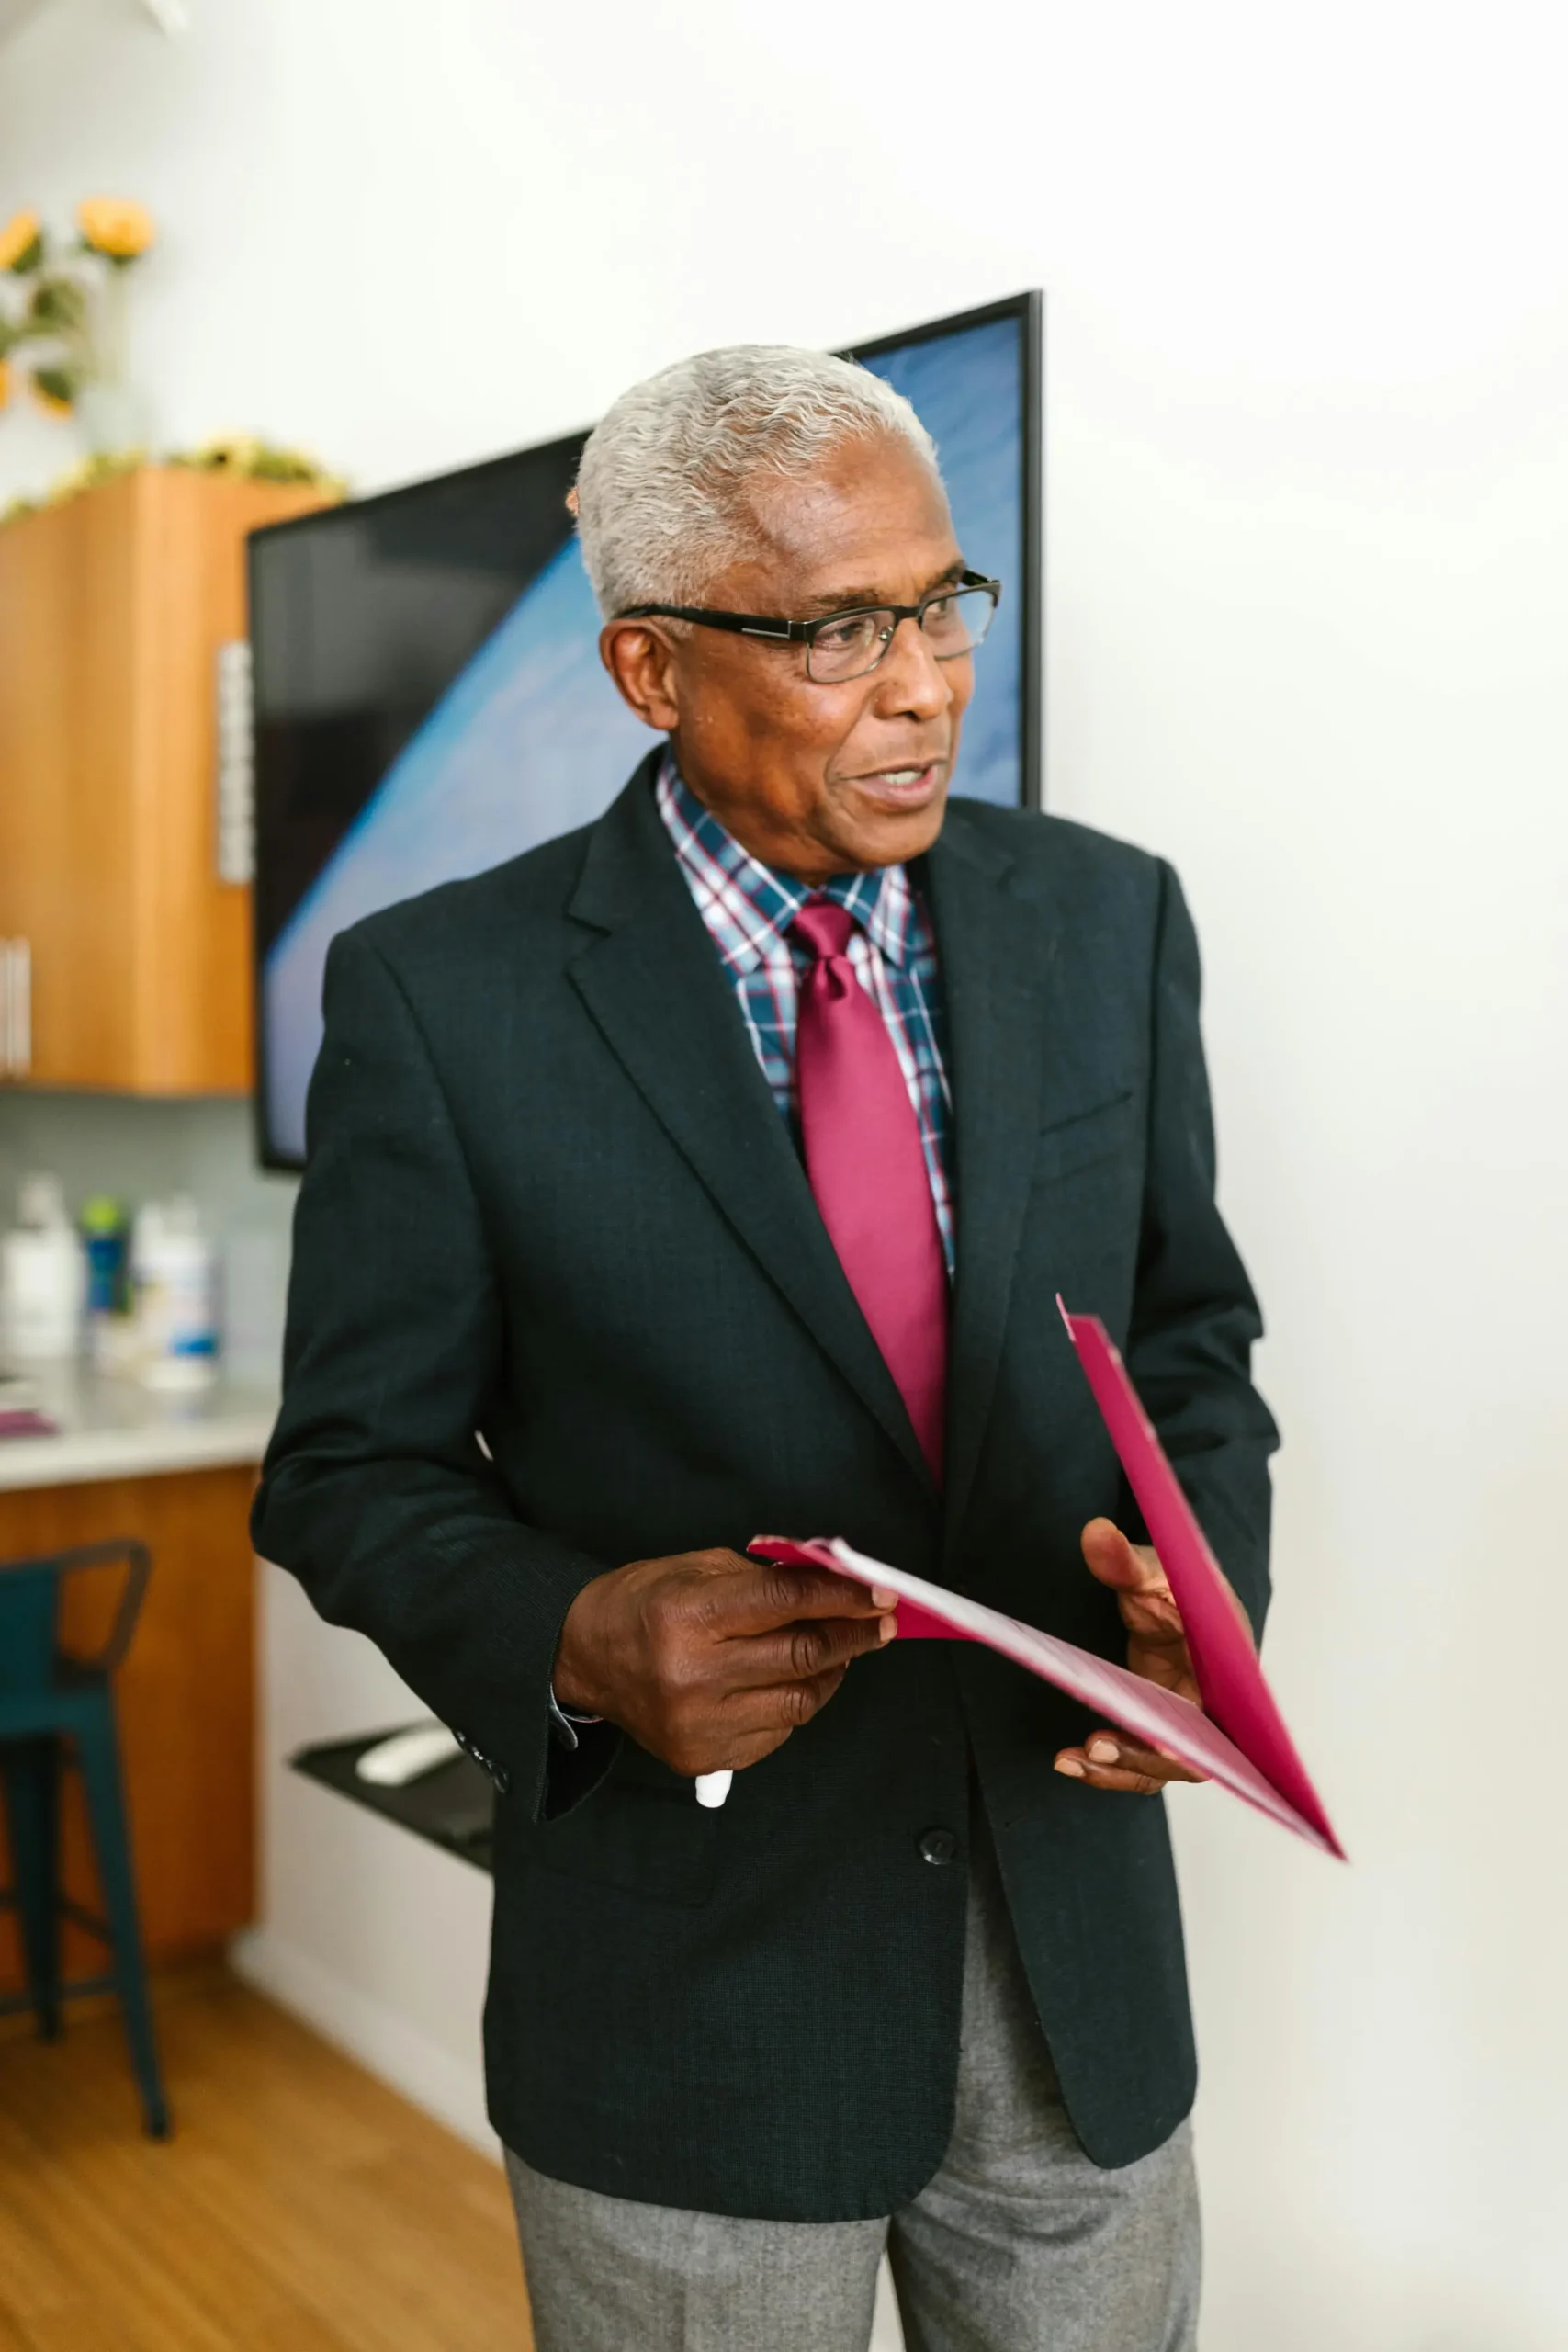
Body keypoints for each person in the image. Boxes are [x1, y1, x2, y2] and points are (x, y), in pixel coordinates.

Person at [253, 344, 1278, 2352]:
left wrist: (1203, 1594)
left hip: (1078, 1987)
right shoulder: (438, 999)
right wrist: (568, 1632)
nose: (921, 682)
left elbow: (1187, 1333)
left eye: (939, 603)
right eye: (834, 629)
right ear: (650, 667)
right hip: (690, 2001)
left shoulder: (1111, 921)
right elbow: (347, 1468)